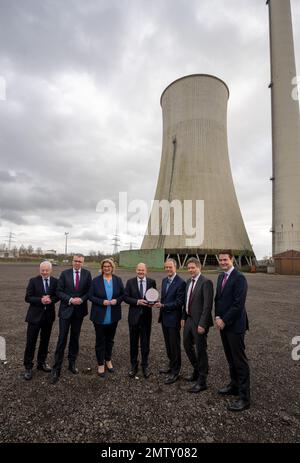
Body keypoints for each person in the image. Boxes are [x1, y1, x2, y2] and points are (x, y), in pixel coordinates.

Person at [215, 250, 250, 412]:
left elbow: (238, 304)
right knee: (230, 358)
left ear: (232, 260)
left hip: (235, 326)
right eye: (221, 260)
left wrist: (224, 319)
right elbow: (218, 299)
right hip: (223, 324)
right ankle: (234, 386)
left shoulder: (239, 278)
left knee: (239, 361)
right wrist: (216, 316)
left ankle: (244, 398)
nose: (223, 262)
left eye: (225, 260)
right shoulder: (221, 277)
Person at [50, 254, 92, 384]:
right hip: (66, 311)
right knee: (62, 338)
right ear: (72, 261)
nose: (77, 263)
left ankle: (72, 363)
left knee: (75, 338)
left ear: (83, 262)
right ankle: (56, 368)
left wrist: (82, 299)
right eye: (75, 261)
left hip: (79, 311)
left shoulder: (87, 274)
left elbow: (89, 291)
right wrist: (70, 299)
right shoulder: (64, 273)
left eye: (80, 261)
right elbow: (58, 291)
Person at [182, 257, 214, 393]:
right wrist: (183, 317)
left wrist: (202, 324)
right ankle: (197, 370)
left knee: (201, 350)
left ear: (199, 267)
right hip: (189, 320)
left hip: (199, 322)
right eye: (188, 268)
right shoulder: (188, 281)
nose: (190, 270)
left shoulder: (206, 282)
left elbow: (207, 306)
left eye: (193, 268)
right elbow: (186, 301)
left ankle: (202, 381)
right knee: (187, 345)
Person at [89, 258, 124, 378]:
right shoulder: (96, 280)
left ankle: (108, 360)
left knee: (110, 340)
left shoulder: (117, 280)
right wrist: (101, 301)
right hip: (99, 315)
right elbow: (90, 296)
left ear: (112, 267)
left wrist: (117, 300)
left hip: (113, 315)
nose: (107, 268)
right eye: (105, 266)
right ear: (102, 268)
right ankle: (100, 364)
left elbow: (122, 295)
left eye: (109, 266)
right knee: (100, 341)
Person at [23, 261, 58, 380]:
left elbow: (57, 296)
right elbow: (28, 297)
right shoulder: (33, 281)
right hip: (34, 317)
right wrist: (40, 300)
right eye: (42, 270)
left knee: (45, 341)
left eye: (46, 270)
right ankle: (28, 366)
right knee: (31, 342)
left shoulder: (54, 281)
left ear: (50, 270)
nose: (44, 272)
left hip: (48, 316)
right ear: (40, 269)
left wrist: (51, 300)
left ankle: (41, 363)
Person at [154, 258, 186, 384]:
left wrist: (163, 306)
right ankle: (171, 364)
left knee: (174, 345)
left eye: (170, 267)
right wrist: (158, 303)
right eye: (166, 267)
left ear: (175, 267)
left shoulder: (181, 282)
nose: (168, 269)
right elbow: (164, 298)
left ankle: (175, 371)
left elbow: (179, 303)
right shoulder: (164, 280)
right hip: (165, 318)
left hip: (173, 319)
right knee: (168, 344)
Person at [124, 263, 156, 379]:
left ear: (146, 271)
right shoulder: (130, 282)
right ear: (136, 270)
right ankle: (133, 365)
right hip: (133, 317)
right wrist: (137, 301)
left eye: (142, 270)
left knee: (145, 343)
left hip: (146, 318)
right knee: (133, 342)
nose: (140, 272)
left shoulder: (151, 282)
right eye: (139, 270)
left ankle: (145, 365)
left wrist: (153, 302)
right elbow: (126, 297)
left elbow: (153, 296)